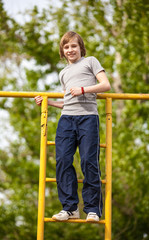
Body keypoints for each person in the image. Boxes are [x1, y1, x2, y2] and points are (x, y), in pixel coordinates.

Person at [35, 31, 111, 222]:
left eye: (73, 46)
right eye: (66, 47)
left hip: (88, 118)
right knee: (62, 160)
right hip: (66, 119)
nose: (70, 50)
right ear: (63, 51)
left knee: (88, 161)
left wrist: (84, 89)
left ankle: (92, 209)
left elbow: (105, 85)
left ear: (80, 48)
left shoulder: (90, 62)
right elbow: (68, 101)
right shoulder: (63, 73)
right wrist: (50, 103)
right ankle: (70, 208)